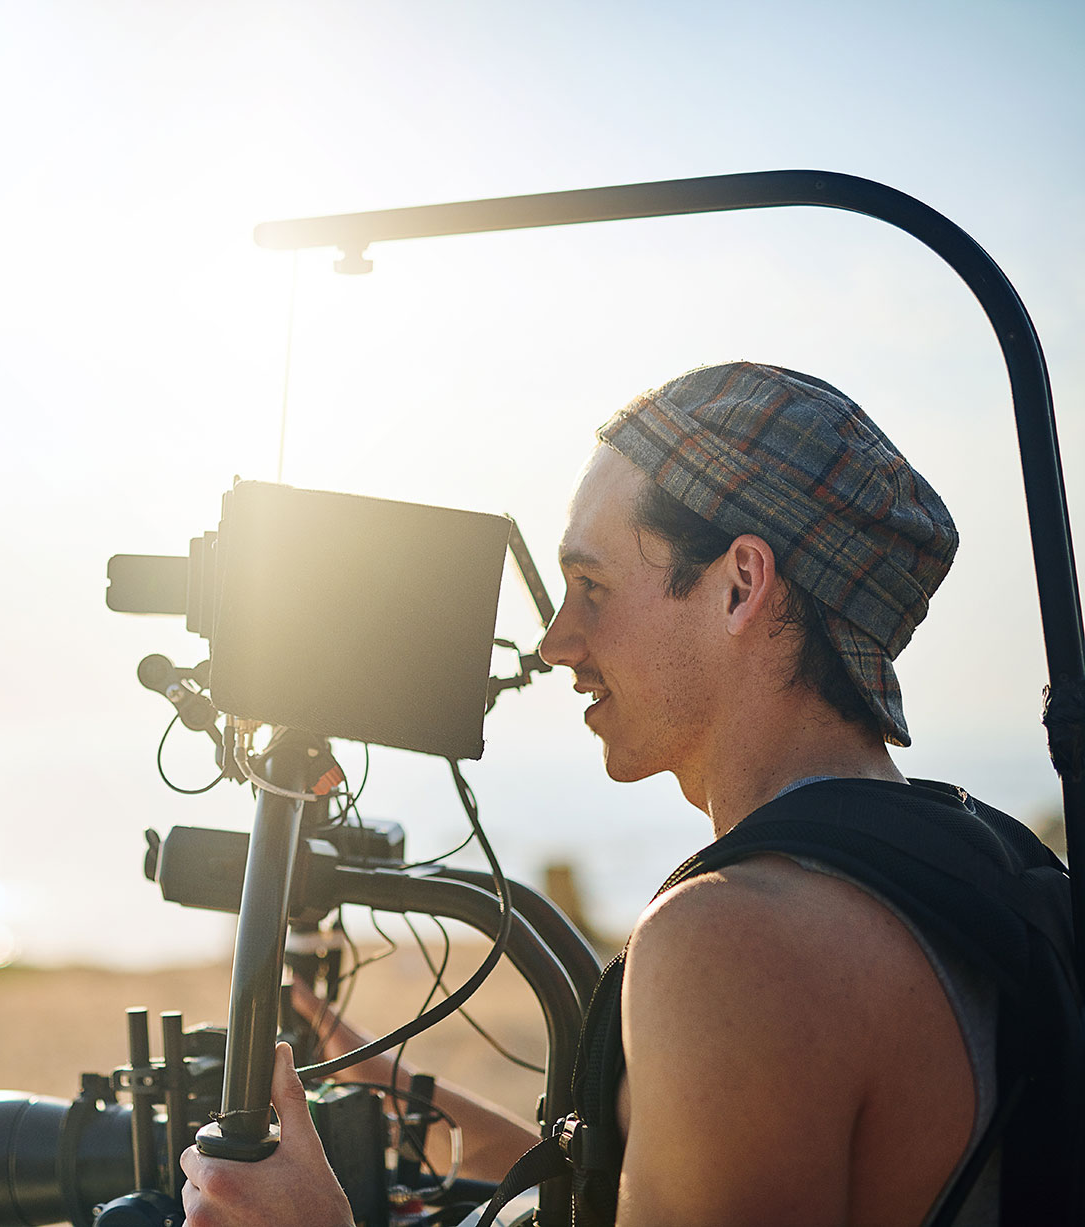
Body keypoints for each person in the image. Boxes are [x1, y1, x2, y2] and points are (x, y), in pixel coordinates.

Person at [179, 363, 1078, 1227]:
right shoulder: (970, 868)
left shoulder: (734, 942)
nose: (555, 643)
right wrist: (388, 1085)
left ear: (741, 585)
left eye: (592, 587)